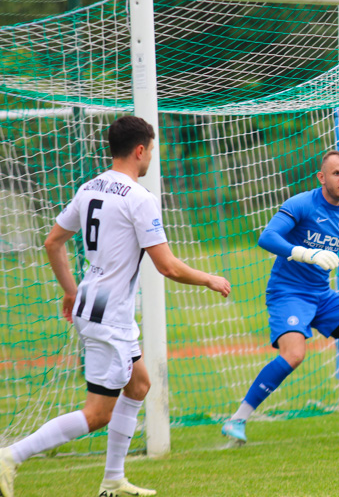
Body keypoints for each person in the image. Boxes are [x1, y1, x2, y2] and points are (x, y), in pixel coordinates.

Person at [0, 116, 231, 497]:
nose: (151, 157)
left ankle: (113, 479)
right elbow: (167, 265)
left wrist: (71, 291)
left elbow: (53, 242)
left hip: (96, 303)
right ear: (140, 150)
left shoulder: (90, 187)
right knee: (97, 414)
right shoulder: (140, 199)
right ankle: (11, 456)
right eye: (152, 150)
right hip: (109, 316)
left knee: (139, 384)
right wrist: (209, 278)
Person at [221, 150, 339, 445]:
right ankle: (237, 420)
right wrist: (305, 253)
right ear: (322, 177)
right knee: (294, 354)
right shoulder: (301, 204)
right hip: (288, 293)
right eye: (336, 174)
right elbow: (267, 237)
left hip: (322, 295)